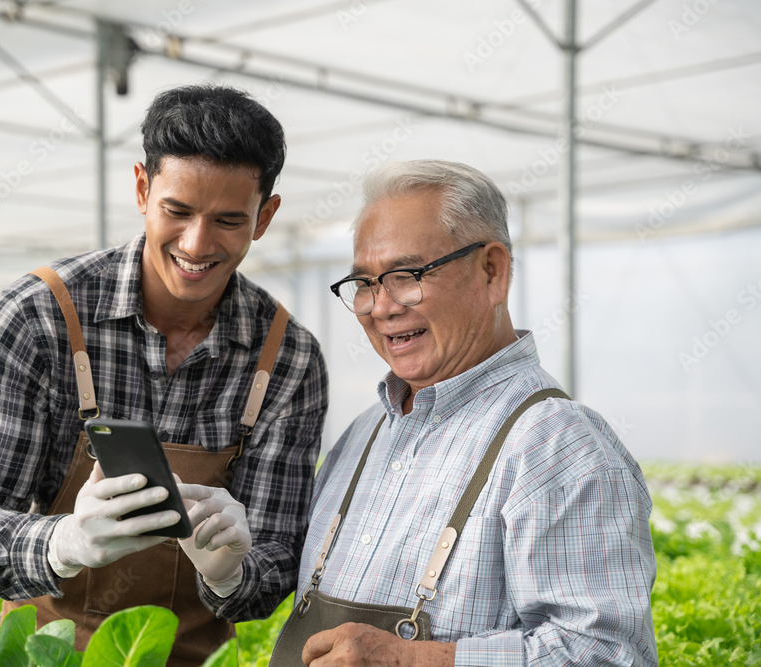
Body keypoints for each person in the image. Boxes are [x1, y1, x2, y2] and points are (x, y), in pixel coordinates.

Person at [0, 84, 328, 666]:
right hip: (46, 653)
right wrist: (63, 542)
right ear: (143, 188)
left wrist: (232, 574)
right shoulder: (38, 318)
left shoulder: (287, 358)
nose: (197, 244)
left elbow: (270, 567)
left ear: (264, 217)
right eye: (178, 211)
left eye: (227, 220)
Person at [273, 160, 656, 666]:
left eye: (406, 276)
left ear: (492, 271)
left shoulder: (557, 447)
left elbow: (607, 655)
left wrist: (408, 660)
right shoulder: (365, 433)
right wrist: (229, 565)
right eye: (364, 283)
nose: (381, 307)